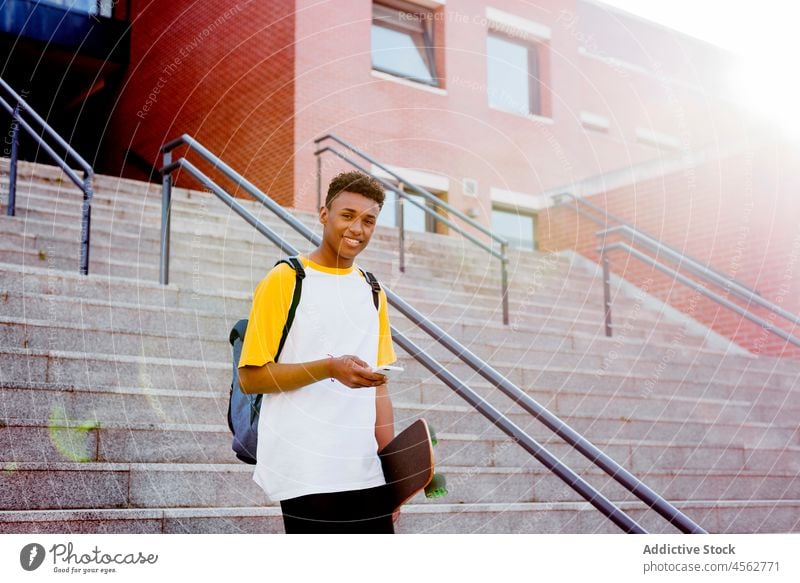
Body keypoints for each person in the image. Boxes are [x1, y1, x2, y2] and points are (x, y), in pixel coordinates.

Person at [237, 170, 398, 534]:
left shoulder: (372, 290)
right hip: (305, 468)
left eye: (368, 220)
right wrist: (329, 367)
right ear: (324, 214)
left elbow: (380, 388)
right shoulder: (287, 279)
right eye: (347, 215)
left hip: (363, 470)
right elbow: (250, 378)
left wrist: (393, 474)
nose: (357, 228)